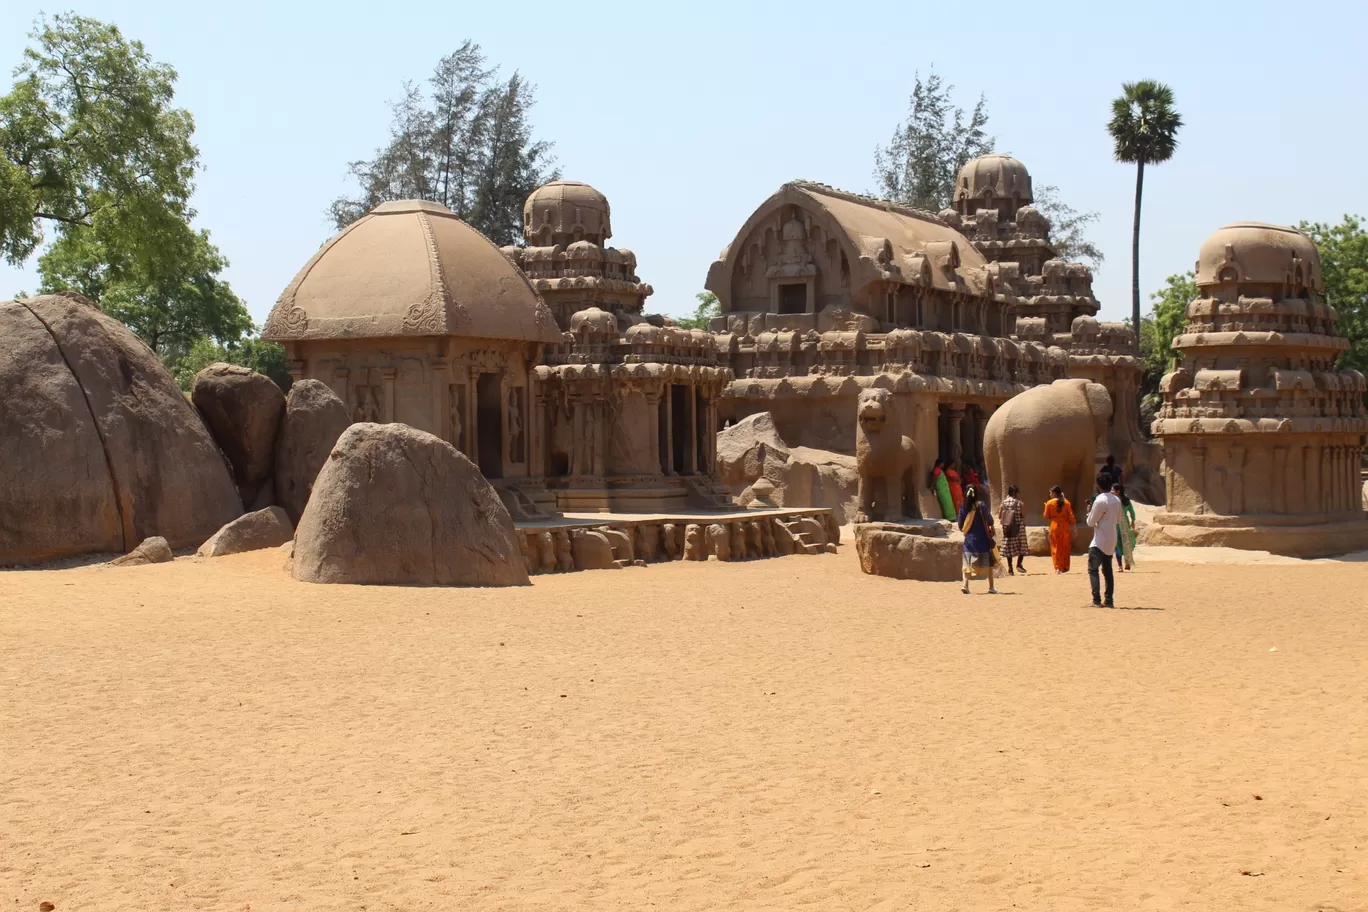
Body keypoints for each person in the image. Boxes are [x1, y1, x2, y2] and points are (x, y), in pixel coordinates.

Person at [1087, 474, 1123, 607]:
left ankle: (1096, 599)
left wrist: (1091, 513)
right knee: (1108, 570)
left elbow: (1091, 522)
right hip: (1111, 537)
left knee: (1093, 569)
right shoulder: (1116, 500)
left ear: (1098, 485)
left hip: (1100, 539)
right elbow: (1118, 519)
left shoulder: (1099, 500)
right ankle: (1109, 600)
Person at [957, 484, 997, 595]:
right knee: (988, 563)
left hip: (970, 540)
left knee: (967, 562)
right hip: (983, 539)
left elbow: (961, 526)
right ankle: (991, 587)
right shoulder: (981, 505)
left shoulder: (963, 507)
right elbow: (990, 520)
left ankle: (965, 585)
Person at [1043, 485, 1076, 574]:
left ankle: (1058, 567)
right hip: (1065, 526)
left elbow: (1046, 516)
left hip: (1054, 526)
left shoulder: (1049, 503)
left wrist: (1046, 506)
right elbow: (1071, 516)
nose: (1049, 494)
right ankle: (1065, 566)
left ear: (1054, 493)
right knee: (1065, 546)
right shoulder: (1067, 502)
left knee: (1055, 546)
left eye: (1050, 493)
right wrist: (1074, 527)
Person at [997, 484, 1028, 575]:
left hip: (1007, 527)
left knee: (1008, 547)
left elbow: (999, 516)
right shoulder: (1019, 503)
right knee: (1022, 546)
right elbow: (1024, 515)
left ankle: (1010, 568)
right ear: (1016, 493)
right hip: (1019, 527)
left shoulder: (1003, 503)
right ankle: (1019, 564)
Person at [1113, 482, 1137, 571]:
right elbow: (1132, 511)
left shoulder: (1113, 500)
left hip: (1116, 525)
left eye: (1113, 490)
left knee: (1117, 544)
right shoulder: (1126, 499)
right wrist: (1133, 521)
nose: (1111, 491)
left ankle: (1120, 566)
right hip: (1125, 524)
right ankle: (1127, 563)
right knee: (1126, 543)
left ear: (1118, 491)